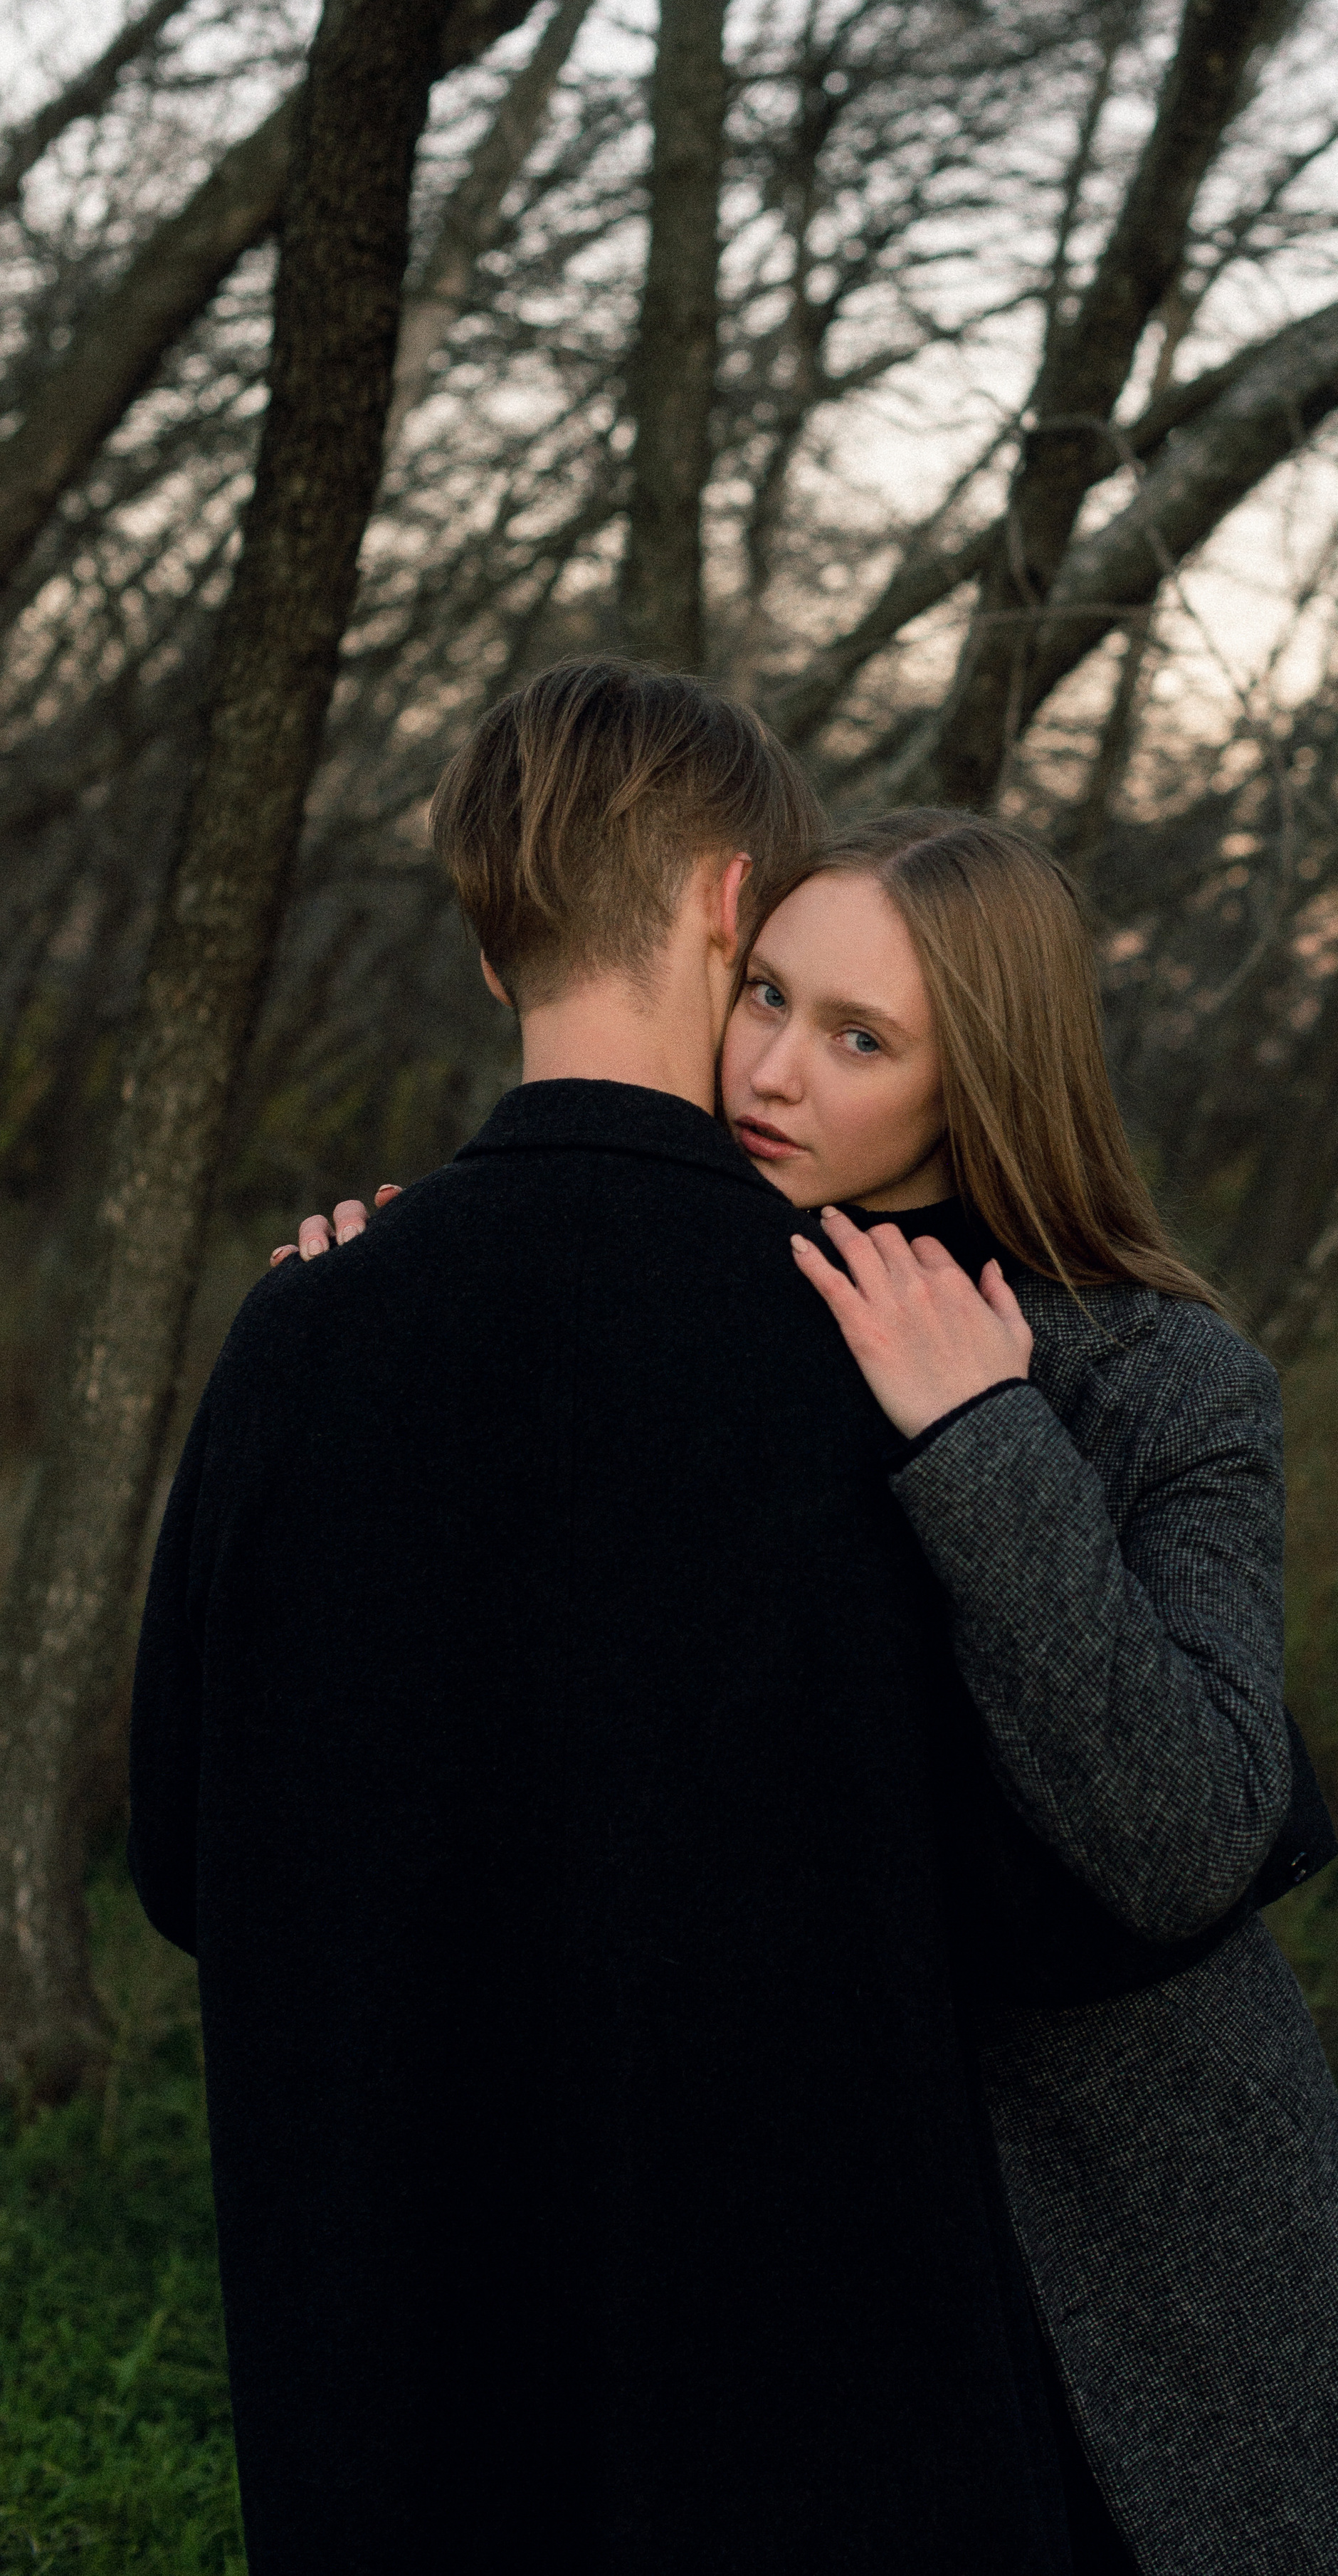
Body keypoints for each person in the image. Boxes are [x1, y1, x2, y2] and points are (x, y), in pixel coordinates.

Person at [295, 802, 1338, 2575]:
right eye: (759, 994)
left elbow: (1183, 1837)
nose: (769, 1069)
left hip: (1132, 2266)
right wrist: (390, 1325)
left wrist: (986, 1439)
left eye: (858, 1039)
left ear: (974, 1080)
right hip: (789, 2250)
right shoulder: (662, 1318)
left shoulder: (1156, 1378)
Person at [129, 667, 1079, 2576]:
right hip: (790, 2410)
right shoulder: (887, 1351)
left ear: (496, 950)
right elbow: (1042, 1881)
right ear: (734, 907)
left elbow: (179, 1851)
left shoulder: (307, 1325)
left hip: (387, 2382)